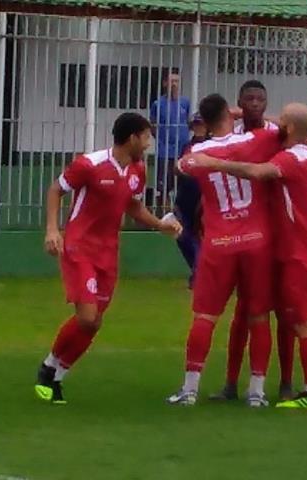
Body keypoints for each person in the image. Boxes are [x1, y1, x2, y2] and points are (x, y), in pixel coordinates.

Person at [187, 103, 307, 409]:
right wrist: (259, 118)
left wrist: (212, 161)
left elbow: (255, 171)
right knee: (292, 315)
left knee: (300, 321)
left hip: (298, 250)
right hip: (305, 245)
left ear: (287, 128)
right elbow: (294, 125)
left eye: (281, 120)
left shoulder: (289, 159)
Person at [34, 113, 183, 404]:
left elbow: (133, 207)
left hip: (108, 253)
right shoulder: (89, 164)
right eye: (146, 137)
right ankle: (48, 367)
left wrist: (159, 224)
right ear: (132, 138)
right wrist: (52, 230)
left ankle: (55, 374)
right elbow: (55, 190)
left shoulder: (138, 170)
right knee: (87, 317)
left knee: (95, 322)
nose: (149, 143)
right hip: (80, 248)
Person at [167, 94, 283, 408]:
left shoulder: (196, 152)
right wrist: (242, 113)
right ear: (230, 114)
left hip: (218, 243)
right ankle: (256, 391)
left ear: (204, 120)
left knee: (205, 316)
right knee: (259, 317)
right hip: (256, 239)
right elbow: (286, 127)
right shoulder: (255, 140)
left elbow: (182, 167)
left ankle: (190, 389)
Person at [206, 80, 296, 403]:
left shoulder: (277, 134)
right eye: (250, 99)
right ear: (240, 104)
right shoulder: (232, 134)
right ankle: (231, 383)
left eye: (261, 98)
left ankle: (286, 382)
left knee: (285, 312)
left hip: (278, 231)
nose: (256, 103)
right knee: (244, 311)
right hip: (245, 234)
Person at [173, 114, 207, 289]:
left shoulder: (210, 146)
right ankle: (198, 271)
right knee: (181, 236)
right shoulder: (187, 146)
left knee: (199, 237)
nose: (198, 128)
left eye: (201, 124)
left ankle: (199, 275)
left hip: (202, 197)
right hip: (185, 196)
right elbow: (178, 167)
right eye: (196, 125)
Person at [150, 68, 190, 202]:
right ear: (165, 83)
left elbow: (188, 121)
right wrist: (163, 139)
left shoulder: (185, 102)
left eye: (177, 81)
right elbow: (153, 125)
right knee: (164, 182)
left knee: (182, 179)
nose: (174, 84)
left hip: (182, 148)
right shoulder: (158, 104)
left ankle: (179, 205)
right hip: (165, 149)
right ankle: (162, 207)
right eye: (172, 81)